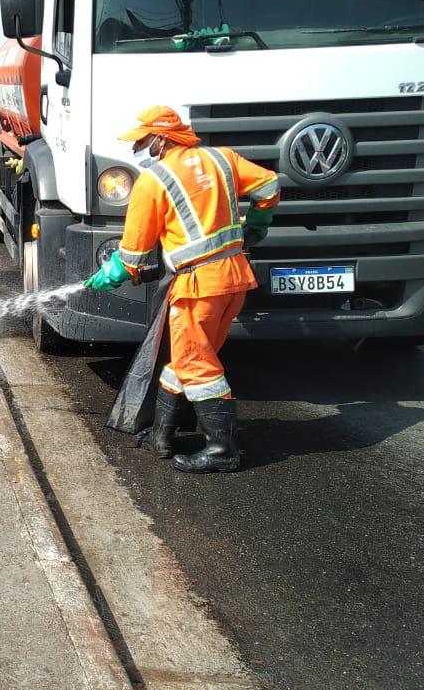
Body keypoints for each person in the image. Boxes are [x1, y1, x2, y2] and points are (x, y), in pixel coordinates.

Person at [83, 105, 281, 473]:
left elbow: (133, 256)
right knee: (188, 356)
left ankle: (223, 449)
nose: (138, 148)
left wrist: (105, 276)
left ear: (162, 138)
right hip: (234, 279)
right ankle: (162, 435)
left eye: (143, 140)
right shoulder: (223, 159)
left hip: (198, 286)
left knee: (197, 363)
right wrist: (259, 222)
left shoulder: (153, 182)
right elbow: (269, 184)